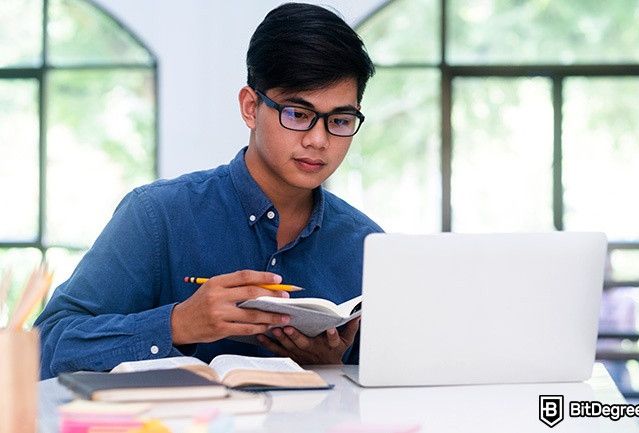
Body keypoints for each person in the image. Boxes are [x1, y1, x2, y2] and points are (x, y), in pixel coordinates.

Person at [35, 3, 380, 379]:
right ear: (250, 107)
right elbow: (46, 347)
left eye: (341, 120)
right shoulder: (157, 216)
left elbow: (397, 388)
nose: (319, 140)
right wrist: (177, 324)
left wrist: (331, 368)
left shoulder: (368, 245)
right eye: (297, 114)